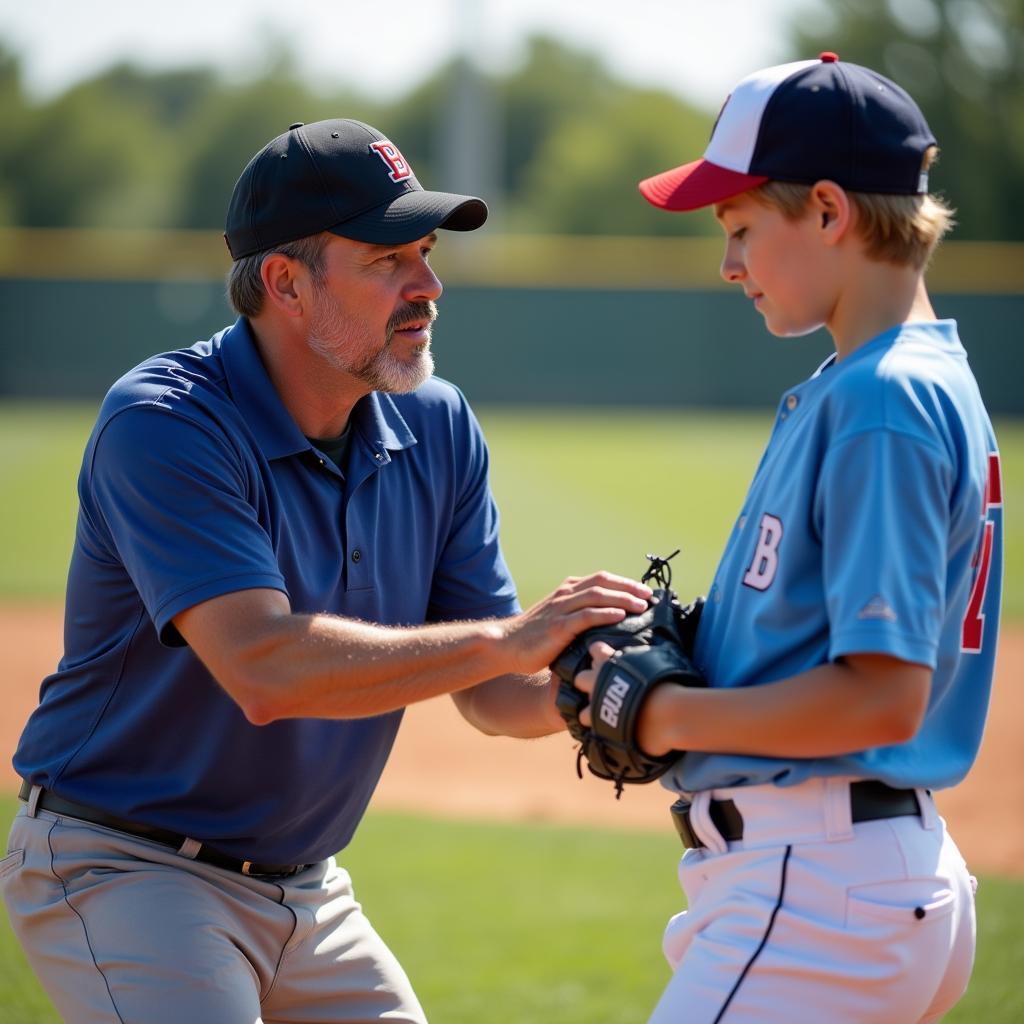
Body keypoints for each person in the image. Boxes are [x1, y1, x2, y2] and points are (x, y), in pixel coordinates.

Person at [1, 117, 652, 1024]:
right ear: (285, 282)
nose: (426, 286)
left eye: (426, 253)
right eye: (388, 259)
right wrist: (509, 640)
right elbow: (263, 668)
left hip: (307, 894)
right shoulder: (165, 423)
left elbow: (495, 694)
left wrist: (596, 693)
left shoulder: (436, 423)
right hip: (124, 868)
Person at [576, 53, 1003, 1022]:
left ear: (825, 209)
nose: (727, 264)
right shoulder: (899, 378)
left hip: (818, 891)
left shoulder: (879, 398)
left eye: (737, 228)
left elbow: (884, 696)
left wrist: (669, 716)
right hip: (848, 875)